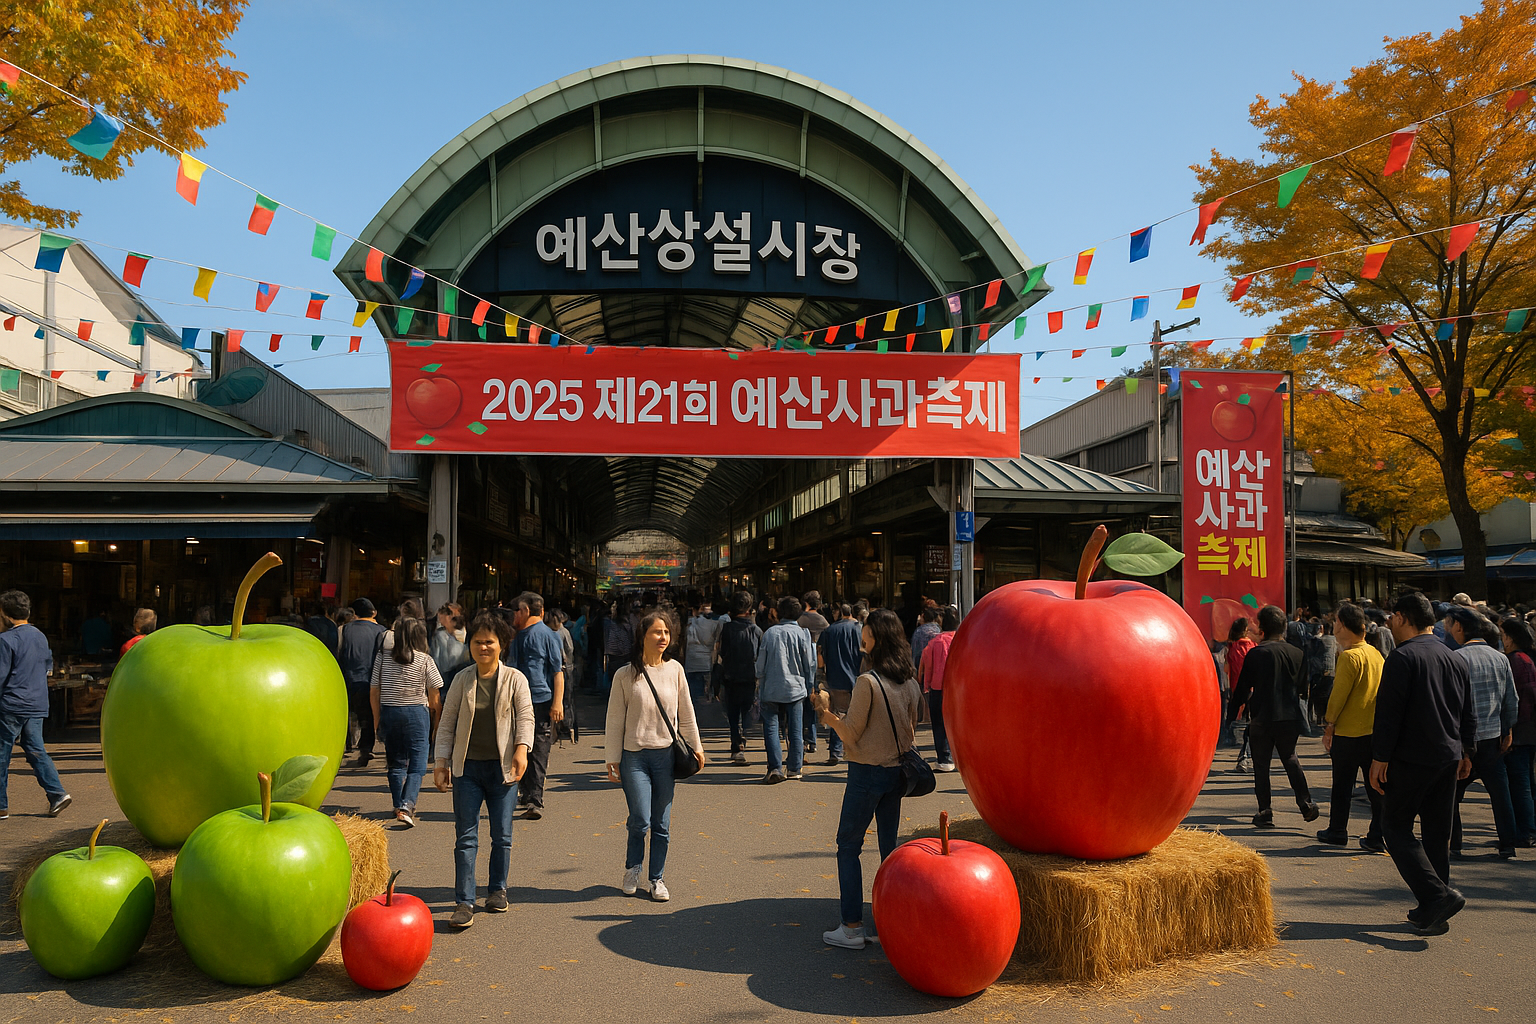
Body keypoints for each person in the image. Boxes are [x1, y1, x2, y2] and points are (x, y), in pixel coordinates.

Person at [810, 608, 921, 950]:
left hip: (866, 772)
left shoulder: (868, 682)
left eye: (867, 632)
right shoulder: (909, 681)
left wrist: (826, 714)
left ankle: (851, 926)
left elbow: (851, 732)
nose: (863, 636)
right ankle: (894, 919)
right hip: (897, 772)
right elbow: (913, 726)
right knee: (889, 848)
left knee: (848, 846)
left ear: (875, 637)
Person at [1371, 591, 1477, 936]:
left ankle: (1436, 896)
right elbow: (1467, 710)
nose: (1390, 622)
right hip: (1448, 754)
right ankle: (1436, 907)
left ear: (1403, 617)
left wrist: (1379, 757)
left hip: (1412, 756)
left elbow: (1389, 713)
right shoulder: (1454, 657)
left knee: (1395, 826)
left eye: (1392, 616)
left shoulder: (1402, 657)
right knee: (1436, 833)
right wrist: (1467, 750)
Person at [434, 612, 534, 929]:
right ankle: (464, 902)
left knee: (502, 835)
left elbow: (526, 717)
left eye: (489, 642)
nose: (483, 647)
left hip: (502, 770)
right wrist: (441, 762)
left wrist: (522, 749)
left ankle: (497, 890)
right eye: (477, 642)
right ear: (471, 645)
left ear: (501, 644)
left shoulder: (515, 679)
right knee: (466, 838)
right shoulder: (462, 679)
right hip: (467, 771)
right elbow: (447, 723)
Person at [605, 609, 702, 902]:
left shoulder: (675, 670)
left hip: (665, 757)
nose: (663, 637)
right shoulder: (625, 674)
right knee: (640, 819)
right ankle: (633, 868)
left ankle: (656, 878)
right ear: (643, 636)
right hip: (634, 756)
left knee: (662, 823)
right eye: (657, 632)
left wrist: (697, 747)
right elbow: (614, 719)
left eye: (667, 632)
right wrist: (612, 758)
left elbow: (686, 713)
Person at [1228, 605, 1319, 827]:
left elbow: (1242, 689)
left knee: (1261, 765)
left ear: (1262, 629)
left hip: (1262, 715)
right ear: (1283, 627)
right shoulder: (1297, 654)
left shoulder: (1257, 654)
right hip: (1290, 715)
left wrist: (1231, 715)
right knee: (1290, 757)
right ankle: (1306, 803)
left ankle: (1265, 811)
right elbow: (1303, 689)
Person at [1444, 607, 1519, 859]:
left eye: (1449, 624)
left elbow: (1451, 704)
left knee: (1453, 794)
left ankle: (1454, 844)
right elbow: (1511, 700)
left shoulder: (1455, 658)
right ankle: (1508, 844)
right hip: (1492, 737)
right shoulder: (1500, 658)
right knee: (1500, 793)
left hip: (1463, 741)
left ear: (1459, 627)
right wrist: (1507, 730)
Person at [1317, 602, 1386, 851]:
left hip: (1348, 733)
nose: (1334, 626)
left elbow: (1339, 696)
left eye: (1336, 621)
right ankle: (1378, 833)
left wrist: (1329, 723)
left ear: (1343, 625)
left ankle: (1337, 830)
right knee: (1375, 787)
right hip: (1372, 730)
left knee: (1342, 786)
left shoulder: (1349, 657)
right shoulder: (1375, 654)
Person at [0, 590, 70, 819]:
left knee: (2, 754)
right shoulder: (40, 637)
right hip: (36, 703)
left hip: (11, 704)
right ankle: (57, 794)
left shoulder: (6, 640)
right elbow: (47, 668)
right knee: (36, 750)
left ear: (5, 615)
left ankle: (1, 805)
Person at [371, 616, 443, 828]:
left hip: (389, 711)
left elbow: (374, 690)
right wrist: (436, 719)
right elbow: (435, 695)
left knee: (395, 762)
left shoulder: (382, 657)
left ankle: (398, 804)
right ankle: (407, 805)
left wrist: (377, 719)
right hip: (416, 713)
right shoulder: (424, 659)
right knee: (418, 763)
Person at [508, 591, 564, 820]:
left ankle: (534, 798)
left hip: (539, 699)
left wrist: (557, 702)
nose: (513, 616)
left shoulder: (546, 635)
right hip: (518, 699)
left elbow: (557, 671)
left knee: (538, 747)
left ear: (525, 611)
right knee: (522, 745)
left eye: (515, 611)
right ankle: (526, 792)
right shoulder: (517, 635)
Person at [755, 596, 817, 784]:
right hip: (795, 688)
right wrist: (810, 684)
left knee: (771, 727)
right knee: (796, 728)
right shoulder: (803, 634)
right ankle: (795, 768)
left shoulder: (770, 633)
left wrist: (759, 680)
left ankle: (775, 767)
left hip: (771, 687)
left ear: (779, 613)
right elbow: (809, 664)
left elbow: (760, 665)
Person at [715, 591, 762, 765]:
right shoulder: (756, 630)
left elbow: (722, 654)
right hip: (750, 677)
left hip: (731, 676)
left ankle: (737, 745)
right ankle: (743, 738)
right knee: (747, 710)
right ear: (750, 609)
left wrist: (716, 678)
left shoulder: (727, 629)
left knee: (733, 713)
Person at [1501, 617, 1536, 848]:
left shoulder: (1516, 661)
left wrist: (1509, 730)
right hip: (1528, 730)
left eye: (1503, 635)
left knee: (1520, 783)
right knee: (1526, 782)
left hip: (1520, 732)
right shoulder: (1527, 659)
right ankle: (1527, 828)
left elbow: (1515, 700)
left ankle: (1525, 831)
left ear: (1510, 638)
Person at [339, 598, 386, 767]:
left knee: (349, 714)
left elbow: (340, 653)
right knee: (369, 716)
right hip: (372, 681)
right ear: (374, 613)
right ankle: (366, 748)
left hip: (349, 679)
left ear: (355, 613)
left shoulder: (344, 629)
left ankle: (346, 745)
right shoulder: (382, 631)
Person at [819, 603, 863, 767]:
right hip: (858, 677)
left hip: (836, 677)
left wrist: (821, 672)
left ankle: (835, 751)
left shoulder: (830, 630)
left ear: (839, 613)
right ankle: (856, 749)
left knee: (837, 714)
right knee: (860, 715)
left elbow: (821, 652)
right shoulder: (859, 629)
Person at [918, 605, 959, 772]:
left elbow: (927, 666)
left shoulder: (935, 642)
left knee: (939, 724)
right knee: (958, 723)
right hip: (959, 688)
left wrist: (926, 684)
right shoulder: (963, 639)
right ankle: (959, 758)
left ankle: (944, 759)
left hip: (938, 687)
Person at [798, 593, 830, 756]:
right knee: (815, 702)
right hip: (818, 665)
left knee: (802, 705)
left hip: (801, 666)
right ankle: (813, 740)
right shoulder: (823, 621)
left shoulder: (800, 620)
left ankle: (804, 739)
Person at [684, 599, 722, 710]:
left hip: (691, 662)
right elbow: (717, 643)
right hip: (705, 663)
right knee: (704, 696)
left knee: (692, 696)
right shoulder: (715, 625)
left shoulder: (690, 623)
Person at [603, 601, 634, 694]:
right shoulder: (628, 626)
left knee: (614, 680)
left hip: (613, 655)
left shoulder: (611, 625)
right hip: (625, 655)